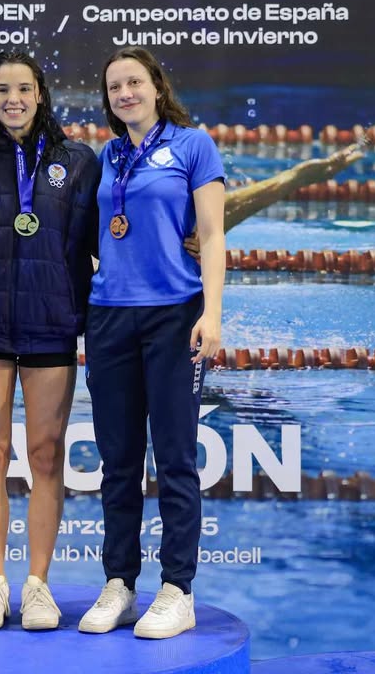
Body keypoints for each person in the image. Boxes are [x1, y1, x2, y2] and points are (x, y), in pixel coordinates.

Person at [78, 47, 225, 640]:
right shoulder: (106, 156)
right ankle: (119, 583)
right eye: (114, 87)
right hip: (110, 318)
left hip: (173, 316)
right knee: (116, 461)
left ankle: (177, 589)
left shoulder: (193, 146)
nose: (125, 93)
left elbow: (211, 236)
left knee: (174, 457)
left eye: (134, 82)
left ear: (157, 87)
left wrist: (211, 314)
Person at [0, 51, 101, 631]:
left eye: (24, 89)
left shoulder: (78, 162)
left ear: (41, 95)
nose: (13, 98)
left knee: (46, 456)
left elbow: (104, 239)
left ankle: (37, 585)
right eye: (2, 89)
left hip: (51, 325)